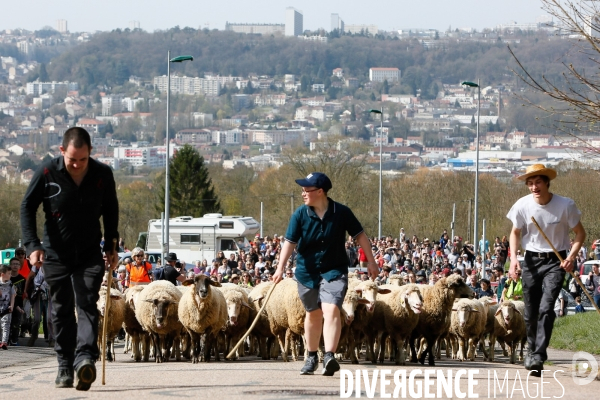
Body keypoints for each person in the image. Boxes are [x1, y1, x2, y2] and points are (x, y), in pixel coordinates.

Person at [20, 127, 120, 391]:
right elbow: (27, 207)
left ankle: (85, 358)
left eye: (83, 160)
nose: (77, 165)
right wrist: (32, 245)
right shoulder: (45, 173)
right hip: (55, 254)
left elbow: (111, 211)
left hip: (89, 254)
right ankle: (64, 364)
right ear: (62, 151)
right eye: (72, 159)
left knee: (87, 303)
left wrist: (112, 246)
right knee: (62, 310)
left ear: (90, 154)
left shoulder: (102, 175)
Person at [272, 172, 378, 377]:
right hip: (307, 272)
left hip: (334, 271)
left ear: (320, 192)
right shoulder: (300, 214)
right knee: (313, 314)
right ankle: (311, 356)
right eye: (302, 190)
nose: (303, 193)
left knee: (331, 310)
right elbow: (290, 242)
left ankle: (329, 355)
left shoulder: (342, 212)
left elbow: (360, 236)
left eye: (306, 190)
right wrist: (280, 267)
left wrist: (371, 262)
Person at [506, 164, 586, 376]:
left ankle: (539, 355)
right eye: (530, 183)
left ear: (547, 183)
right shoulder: (522, 205)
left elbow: (580, 234)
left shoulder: (565, 205)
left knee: (546, 307)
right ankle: (532, 350)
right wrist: (514, 259)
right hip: (531, 260)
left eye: (538, 182)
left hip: (556, 260)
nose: (534, 187)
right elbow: (515, 232)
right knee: (531, 311)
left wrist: (571, 258)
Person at [0, 264, 16, 350]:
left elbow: (13, 295)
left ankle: (4, 342)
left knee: (6, 325)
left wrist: (12, 306)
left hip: (7, 308)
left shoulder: (10, 284)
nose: (11, 275)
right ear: (2, 274)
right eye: (9, 273)